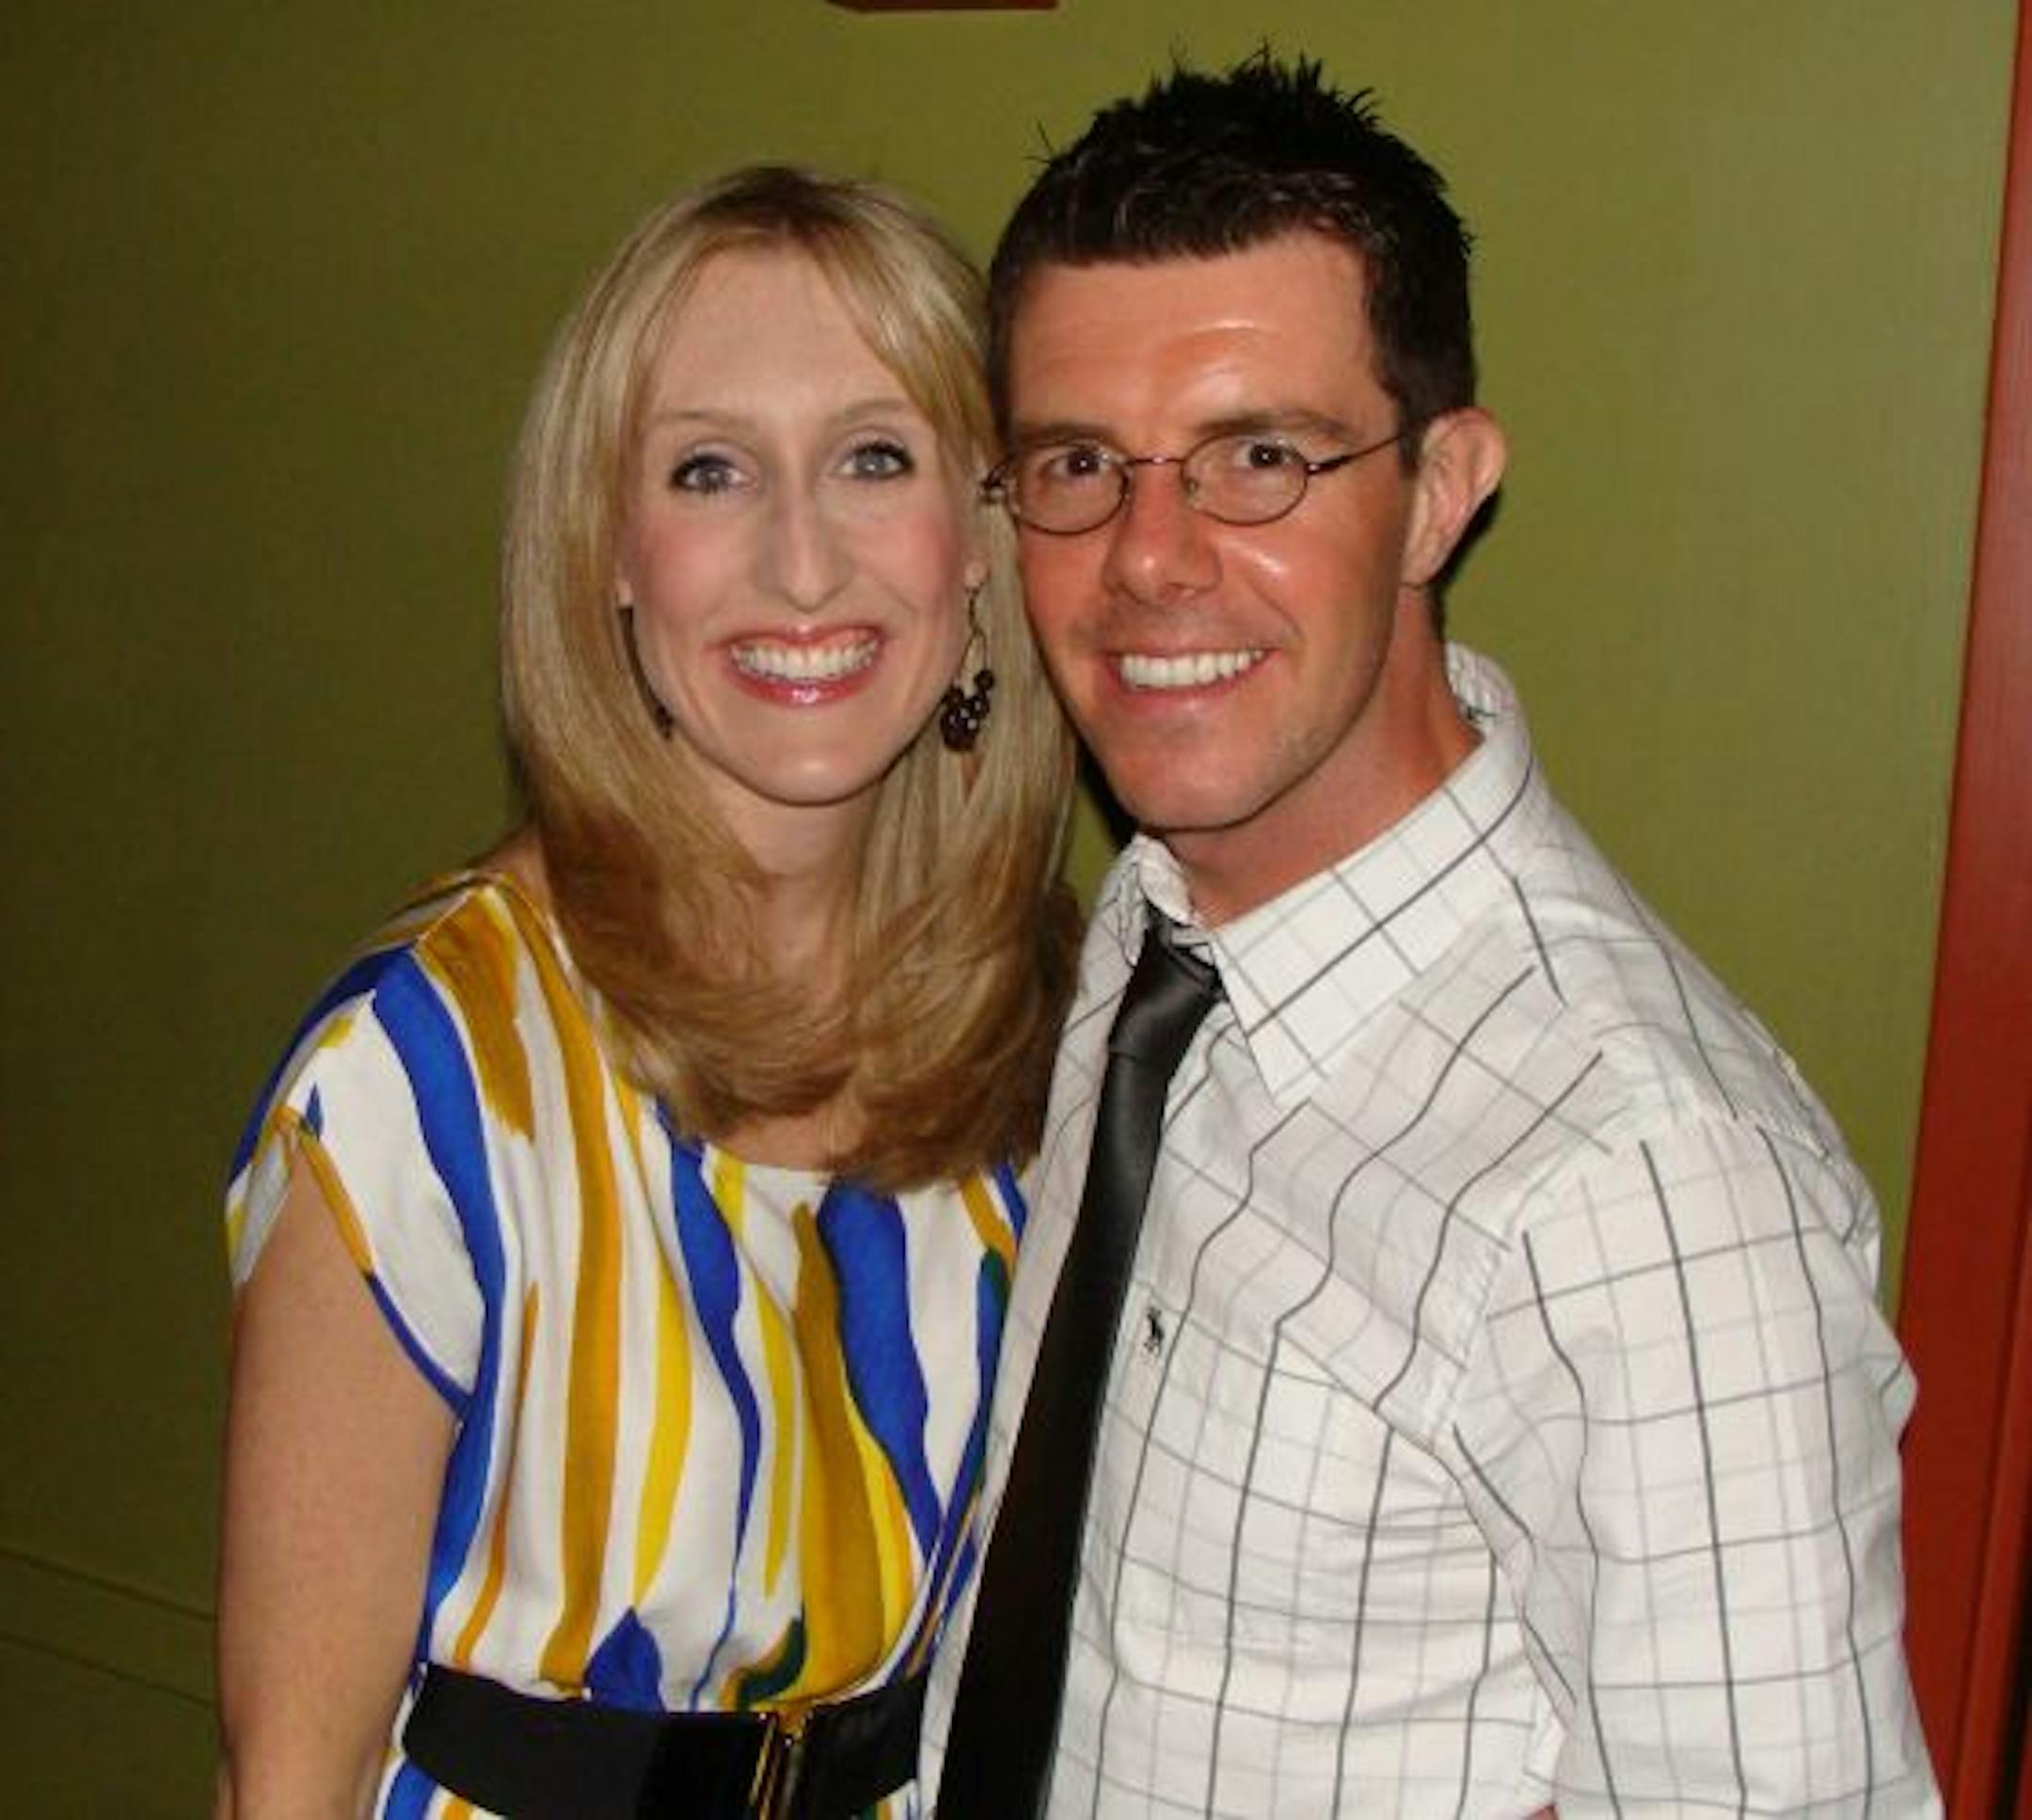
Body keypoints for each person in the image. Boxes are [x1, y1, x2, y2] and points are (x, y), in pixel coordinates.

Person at [926, 55, 1938, 1817]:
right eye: (1080, 464)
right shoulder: (1157, 936)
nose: (1149, 561)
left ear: (1444, 486)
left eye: (1259, 456)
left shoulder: (1645, 1192)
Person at [215, 164, 1077, 1818]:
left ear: (981, 535)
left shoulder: (1050, 1024)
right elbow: (287, 1779)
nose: (805, 565)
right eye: (709, 472)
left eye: (874, 458)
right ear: (609, 554)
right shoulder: (423, 1076)